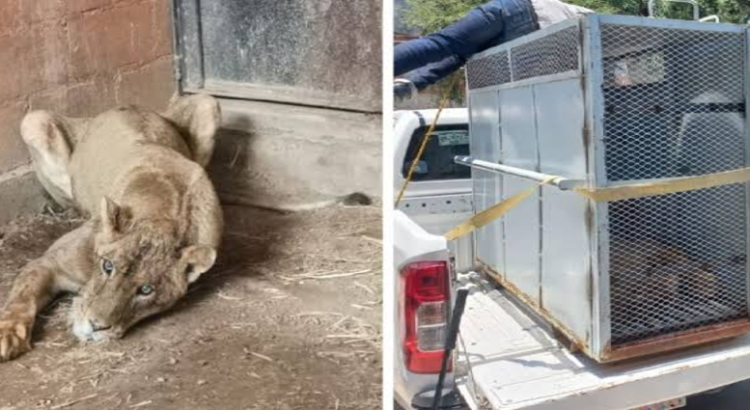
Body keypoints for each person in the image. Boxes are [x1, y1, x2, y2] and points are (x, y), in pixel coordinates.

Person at [395, 0, 592, 102]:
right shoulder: (588, 27)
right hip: (527, 27)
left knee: (443, 45)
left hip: (514, 8)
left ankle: (402, 78)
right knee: (457, 53)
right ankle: (404, 81)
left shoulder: (580, 20)